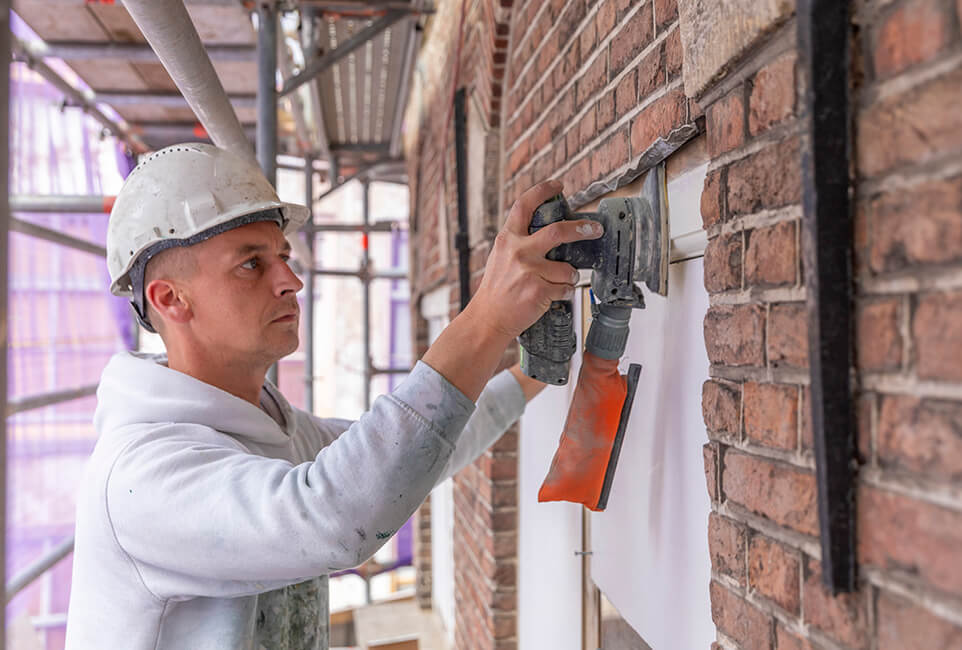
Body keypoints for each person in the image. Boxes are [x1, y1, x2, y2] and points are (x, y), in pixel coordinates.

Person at [64, 143, 603, 649]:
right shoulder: (142, 477)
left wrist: (533, 375)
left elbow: (414, 454)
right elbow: (336, 516)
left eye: (283, 256)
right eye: (252, 263)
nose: (290, 280)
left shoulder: (274, 429)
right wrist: (487, 318)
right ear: (170, 299)